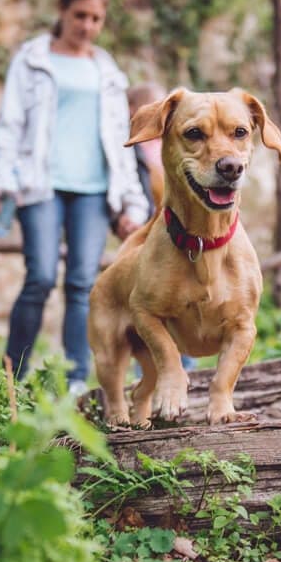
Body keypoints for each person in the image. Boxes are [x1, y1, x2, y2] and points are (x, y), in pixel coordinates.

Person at [0, 0, 148, 395]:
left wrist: (131, 199)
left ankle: (76, 380)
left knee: (81, 285)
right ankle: (13, 377)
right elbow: (10, 123)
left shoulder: (107, 70)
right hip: (40, 184)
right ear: (62, 10)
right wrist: (2, 179)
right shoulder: (32, 59)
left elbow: (119, 139)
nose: (87, 26)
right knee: (39, 276)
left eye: (96, 18)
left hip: (94, 191)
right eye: (80, 15)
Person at [125, 82, 197, 372]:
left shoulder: (176, 143)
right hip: (145, 234)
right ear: (135, 111)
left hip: (179, 233)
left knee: (184, 303)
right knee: (148, 308)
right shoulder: (130, 148)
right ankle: (145, 374)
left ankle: (187, 369)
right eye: (153, 106)